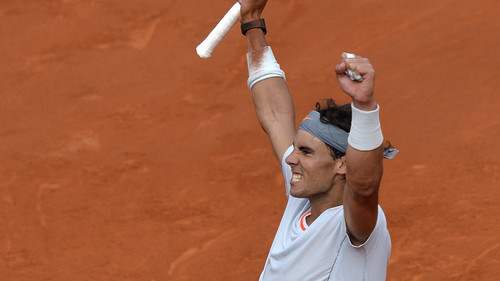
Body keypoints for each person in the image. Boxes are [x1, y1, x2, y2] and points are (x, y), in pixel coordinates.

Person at [237, 0, 398, 280]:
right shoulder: (304, 193)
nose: (290, 158)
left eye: (306, 152)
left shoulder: (353, 225)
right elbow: (274, 114)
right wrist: (252, 19)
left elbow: (364, 187)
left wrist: (364, 106)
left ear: (342, 165)